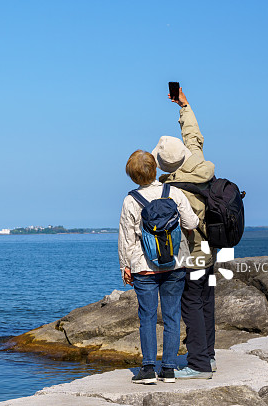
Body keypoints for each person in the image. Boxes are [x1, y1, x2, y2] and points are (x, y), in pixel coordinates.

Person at [118, 150, 198, 384]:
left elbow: (126, 239)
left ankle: (148, 369)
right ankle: (169, 369)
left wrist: (125, 266)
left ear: (132, 176)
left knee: (148, 317)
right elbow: (191, 222)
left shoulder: (131, 200)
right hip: (175, 263)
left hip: (144, 266)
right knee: (172, 315)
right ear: (155, 169)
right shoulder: (173, 193)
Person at [154, 88, 217, 379]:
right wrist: (185, 106)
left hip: (192, 255)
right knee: (206, 302)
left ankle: (199, 364)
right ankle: (208, 357)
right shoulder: (199, 164)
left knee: (191, 304)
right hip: (211, 249)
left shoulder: (173, 189)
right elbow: (194, 137)